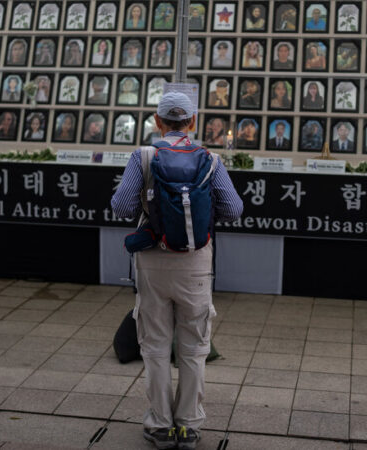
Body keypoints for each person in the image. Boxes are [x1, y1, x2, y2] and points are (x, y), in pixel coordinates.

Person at [111, 92, 243, 450]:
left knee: (153, 346)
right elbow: (233, 209)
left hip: (152, 263)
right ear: (193, 122)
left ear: (157, 121)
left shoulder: (143, 157)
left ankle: (158, 426)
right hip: (196, 264)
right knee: (194, 347)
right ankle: (188, 426)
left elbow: (122, 206)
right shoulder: (210, 160)